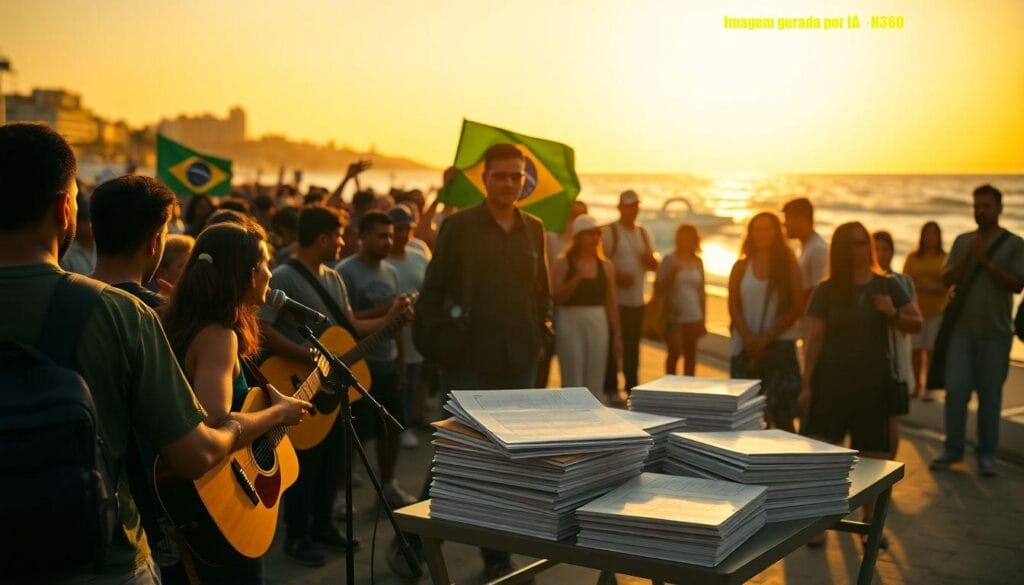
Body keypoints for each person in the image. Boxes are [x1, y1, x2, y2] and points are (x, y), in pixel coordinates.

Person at [0, 122, 242, 584]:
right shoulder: (119, 314)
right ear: (64, 209)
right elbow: (193, 455)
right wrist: (239, 424)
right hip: (101, 563)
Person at [415, 143, 552, 580]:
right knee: (455, 453)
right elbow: (433, 291)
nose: (511, 184)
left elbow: (542, 293)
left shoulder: (535, 229)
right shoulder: (458, 227)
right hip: (469, 359)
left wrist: (541, 333)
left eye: (518, 177)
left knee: (510, 462)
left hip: (519, 360)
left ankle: (496, 553)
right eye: (502, 176)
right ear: (485, 179)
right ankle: (415, 541)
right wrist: (438, 349)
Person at [161, 222, 311, 582]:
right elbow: (216, 425)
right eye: (265, 264)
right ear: (247, 274)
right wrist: (278, 413)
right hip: (219, 503)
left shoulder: (187, 321)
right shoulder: (219, 337)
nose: (270, 273)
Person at [258, 205, 402, 567]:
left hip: (331, 392)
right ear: (322, 238)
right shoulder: (283, 278)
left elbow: (349, 328)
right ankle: (297, 536)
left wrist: (391, 320)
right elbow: (261, 328)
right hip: (299, 387)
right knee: (304, 467)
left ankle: (322, 526)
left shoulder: (335, 278)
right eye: (339, 236)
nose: (344, 242)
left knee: (330, 463)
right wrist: (302, 353)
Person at [799, 222, 921, 545]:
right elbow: (814, 339)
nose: (861, 249)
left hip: (873, 386)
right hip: (830, 384)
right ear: (840, 249)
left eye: (863, 242)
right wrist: (807, 384)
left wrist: (892, 312)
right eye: (852, 244)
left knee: (872, 458)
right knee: (823, 456)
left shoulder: (887, 285)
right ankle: (819, 525)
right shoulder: (826, 290)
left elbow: (916, 322)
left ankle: (870, 523)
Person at [930, 185, 1024, 477]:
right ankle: (953, 449)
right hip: (961, 332)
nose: (980, 211)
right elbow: (945, 279)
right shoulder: (963, 241)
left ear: (999, 208)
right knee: (956, 393)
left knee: (990, 396)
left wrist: (985, 262)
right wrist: (967, 259)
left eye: (986, 206)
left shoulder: (1015, 244)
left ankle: (986, 455)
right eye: (976, 206)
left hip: (996, 333)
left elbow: (1017, 284)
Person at [337, 211, 416, 509]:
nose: (388, 241)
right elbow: (346, 322)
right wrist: (388, 310)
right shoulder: (346, 272)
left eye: (391, 235)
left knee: (391, 429)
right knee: (353, 434)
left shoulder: (391, 272)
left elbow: (396, 323)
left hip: (388, 363)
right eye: (381, 235)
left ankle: (388, 487)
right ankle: (339, 498)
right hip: (358, 365)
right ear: (363, 237)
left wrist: (402, 364)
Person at [728, 213, 803, 431]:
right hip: (745, 347)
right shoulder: (741, 267)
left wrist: (766, 338)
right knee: (746, 418)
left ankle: (788, 464)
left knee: (783, 418)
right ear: (750, 233)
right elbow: (733, 306)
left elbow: (796, 307)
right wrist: (749, 339)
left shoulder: (789, 266)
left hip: (780, 348)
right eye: (757, 229)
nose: (762, 234)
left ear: (777, 233)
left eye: (768, 228)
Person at [551, 214, 621, 402]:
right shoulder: (563, 262)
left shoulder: (605, 266)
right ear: (579, 236)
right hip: (570, 319)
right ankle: (571, 419)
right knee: (573, 375)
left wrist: (616, 335)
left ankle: (593, 419)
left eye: (598, 233)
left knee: (595, 376)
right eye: (590, 234)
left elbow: (611, 302)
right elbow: (555, 297)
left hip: (598, 320)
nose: (595, 238)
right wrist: (576, 279)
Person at [602, 190, 658, 401]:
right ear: (620, 208)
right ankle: (611, 388)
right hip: (615, 302)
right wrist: (618, 278)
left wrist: (650, 261)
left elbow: (653, 266)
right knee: (613, 345)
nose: (632, 210)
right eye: (628, 206)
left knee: (633, 346)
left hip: (637, 300)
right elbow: (601, 266)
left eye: (635, 206)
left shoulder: (644, 232)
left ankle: (632, 387)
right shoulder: (610, 232)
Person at [89, 176, 175, 309]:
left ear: (93, 233)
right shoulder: (161, 312)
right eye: (165, 235)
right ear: (154, 242)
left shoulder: (62, 295)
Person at [386, 204, 430, 448]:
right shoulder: (383, 259)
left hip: (415, 333)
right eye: (397, 229)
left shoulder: (418, 256)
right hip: (387, 335)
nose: (402, 234)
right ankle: (393, 429)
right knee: (395, 382)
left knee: (411, 380)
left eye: (406, 229)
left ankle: (407, 425)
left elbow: (430, 289)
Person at [873, 230, 917, 460]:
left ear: (892, 252)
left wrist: (892, 313)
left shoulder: (901, 282)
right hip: (867, 364)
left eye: (885, 249)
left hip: (895, 360)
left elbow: (915, 322)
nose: (881, 254)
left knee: (891, 421)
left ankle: (886, 481)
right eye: (876, 249)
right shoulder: (862, 281)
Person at [903, 221, 948, 401]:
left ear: (939, 237)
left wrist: (924, 285)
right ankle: (916, 385)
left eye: (934, 234)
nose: (930, 237)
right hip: (916, 310)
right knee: (915, 349)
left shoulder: (945, 257)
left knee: (930, 350)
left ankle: (928, 386)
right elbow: (906, 281)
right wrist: (929, 285)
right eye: (927, 234)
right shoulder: (913, 257)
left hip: (937, 310)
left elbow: (946, 284)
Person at [656, 223, 707, 377]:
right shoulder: (669, 259)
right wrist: (672, 273)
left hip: (694, 314)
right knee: (674, 352)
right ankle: (670, 386)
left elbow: (702, 292)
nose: (687, 241)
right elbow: (658, 287)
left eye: (690, 238)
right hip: (674, 315)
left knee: (691, 355)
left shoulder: (698, 261)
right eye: (683, 238)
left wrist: (703, 319)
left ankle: (689, 390)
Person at [782, 197, 828, 308]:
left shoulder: (818, 249)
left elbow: (818, 292)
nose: (785, 224)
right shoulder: (804, 247)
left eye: (788, 218)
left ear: (802, 219)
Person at [59, 190, 97, 275]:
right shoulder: (66, 253)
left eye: (91, 221)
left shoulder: (102, 247)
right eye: (83, 222)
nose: (88, 226)